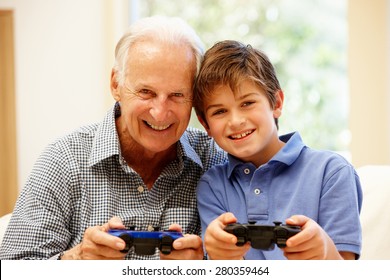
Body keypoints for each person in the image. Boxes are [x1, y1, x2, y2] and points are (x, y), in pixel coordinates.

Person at [0, 16, 226, 260]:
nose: (160, 112)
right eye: (146, 92)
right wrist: (75, 262)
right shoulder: (63, 160)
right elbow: (12, 267)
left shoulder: (216, 159)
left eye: (177, 94)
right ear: (116, 83)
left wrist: (205, 268)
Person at [193, 40, 362, 260]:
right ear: (205, 124)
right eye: (219, 111)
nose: (235, 121)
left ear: (277, 103)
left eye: (247, 103)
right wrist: (221, 255)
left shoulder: (332, 172)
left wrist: (325, 252)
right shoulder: (212, 185)